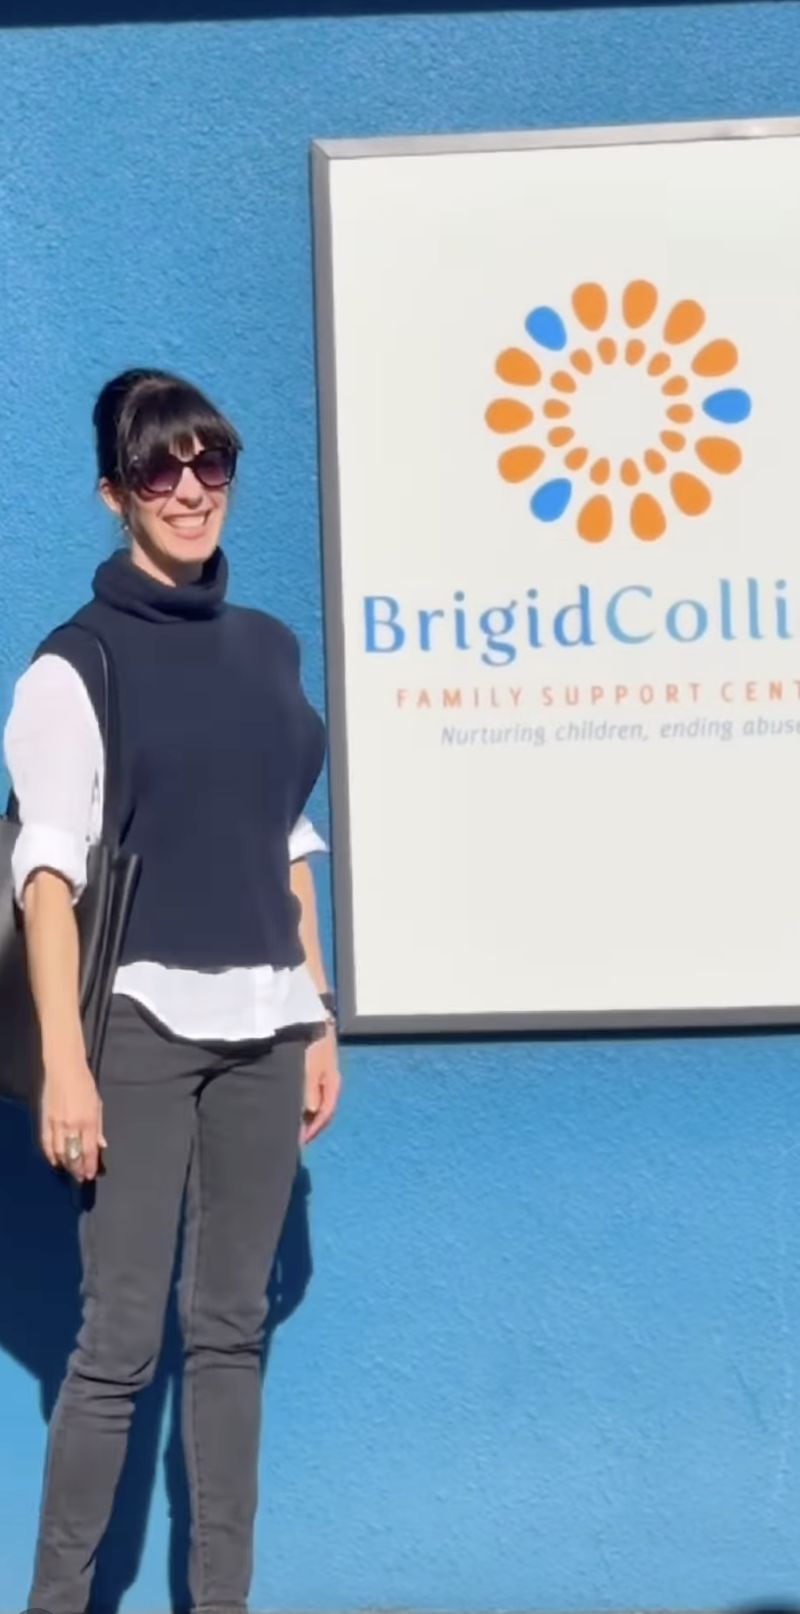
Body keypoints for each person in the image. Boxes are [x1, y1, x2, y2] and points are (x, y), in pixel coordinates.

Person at [3, 368, 342, 1614]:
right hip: (138, 1029)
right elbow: (49, 876)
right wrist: (66, 1065)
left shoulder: (265, 647)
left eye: (210, 464)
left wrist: (315, 1011)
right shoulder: (72, 666)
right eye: (160, 469)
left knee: (232, 1336)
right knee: (117, 1346)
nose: (190, 489)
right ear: (113, 494)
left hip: (264, 1028)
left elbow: (282, 840)